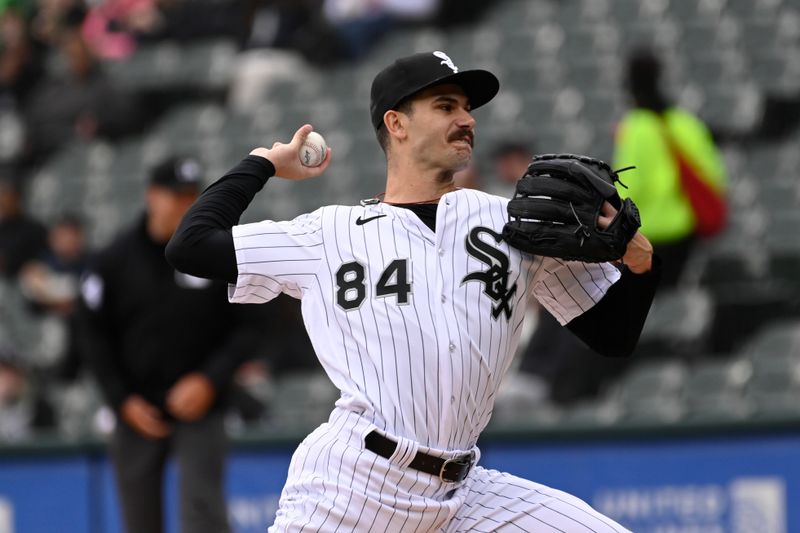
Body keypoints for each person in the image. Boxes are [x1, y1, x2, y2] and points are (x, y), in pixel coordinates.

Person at [167, 51, 659, 532]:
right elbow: (189, 246)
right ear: (396, 124)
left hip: (462, 493)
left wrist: (641, 267)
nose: (466, 119)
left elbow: (612, 337)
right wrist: (263, 163)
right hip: (350, 488)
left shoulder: (515, 224)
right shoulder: (329, 233)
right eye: (446, 106)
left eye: (468, 108)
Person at [78, 156, 265, 533]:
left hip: (202, 405)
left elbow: (251, 327)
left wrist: (209, 380)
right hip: (136, 408)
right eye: (176, 195)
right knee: (139, 522)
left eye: (192, 196)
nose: (186, 204)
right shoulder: (114, 260)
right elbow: (90, 334)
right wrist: (121, 400)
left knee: (203, 516)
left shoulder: (216, 251)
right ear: (151, 196)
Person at [614, 47, 727, 287]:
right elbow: (714, 174)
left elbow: (627, 186)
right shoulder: (686, 123)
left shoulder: (635, 128)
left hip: (648, 235)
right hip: (685, 234)